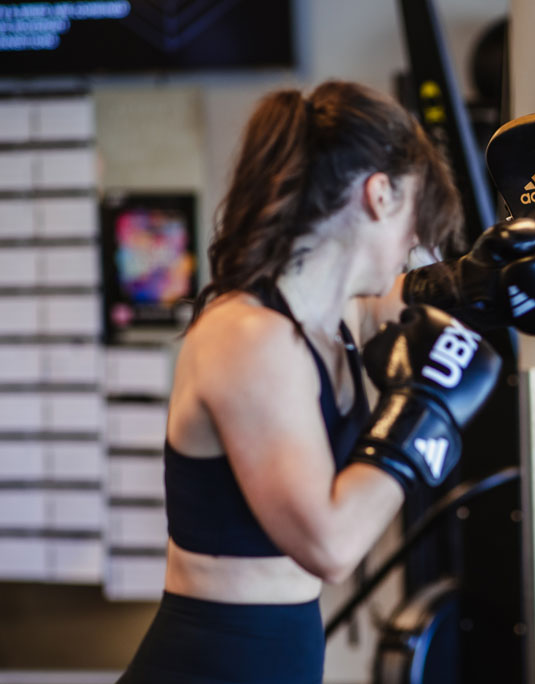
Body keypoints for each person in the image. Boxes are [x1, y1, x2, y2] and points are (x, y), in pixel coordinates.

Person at [117, 80, 502, 684]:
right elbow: (330, 547)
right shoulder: (250, 337)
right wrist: (423, 413)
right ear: (380, 194)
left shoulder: (335, 316)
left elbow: (428, 286)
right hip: (215, 663)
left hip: (281, 652)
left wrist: (507, 278)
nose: (415, 245)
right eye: (413, 218)